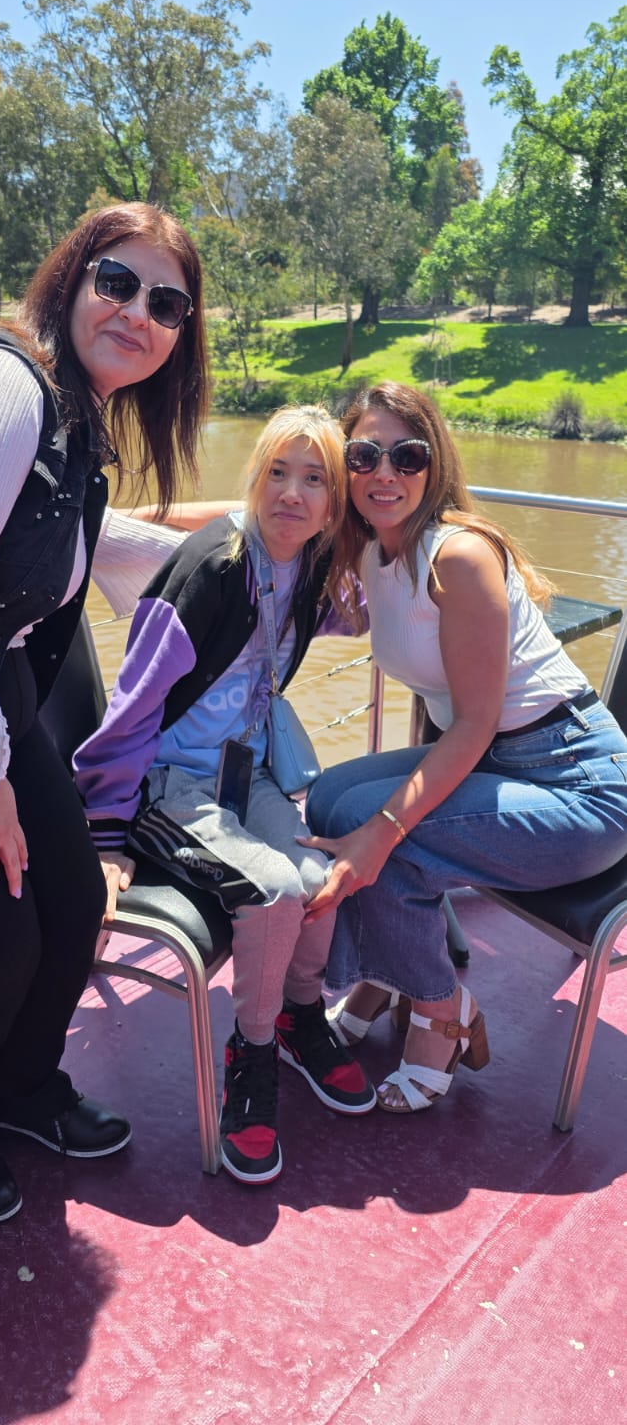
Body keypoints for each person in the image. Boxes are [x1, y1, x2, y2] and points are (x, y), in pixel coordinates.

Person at [0, 201, 209, 1222]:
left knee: (71, 907)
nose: (137, 312)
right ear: (71, 279)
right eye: (117, 281)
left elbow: (76, 545)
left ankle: (22, 1088)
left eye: (166, 303)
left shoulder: (69, 421)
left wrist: (270, 552)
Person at [302, 381, 627, 1115]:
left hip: (577, 783)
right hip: (496, 762)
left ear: (434, 464)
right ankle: (383, 979)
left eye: (407, 455)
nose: (385, 473)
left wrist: (384, 829)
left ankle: (441, 1011)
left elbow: (475, 724)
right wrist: (130, 525)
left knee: (389, 839)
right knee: (329, 798)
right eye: (364, 455)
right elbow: (256, 511)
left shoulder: (459, 556)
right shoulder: (376, 550)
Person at [74, 406, 377, 1187]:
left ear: (334, 503)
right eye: (276, 472)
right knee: (274, 890)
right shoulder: (212, 568)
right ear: (253, 479)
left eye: (314, 480)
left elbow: (360, 612)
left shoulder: (310, 570)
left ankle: (297, 1014)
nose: (291, 494)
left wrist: (396, 539)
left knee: (320, 877)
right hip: (166, 782)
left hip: (246, 772)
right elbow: (133, 704)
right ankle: (252, 1052)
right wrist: (104, 836)